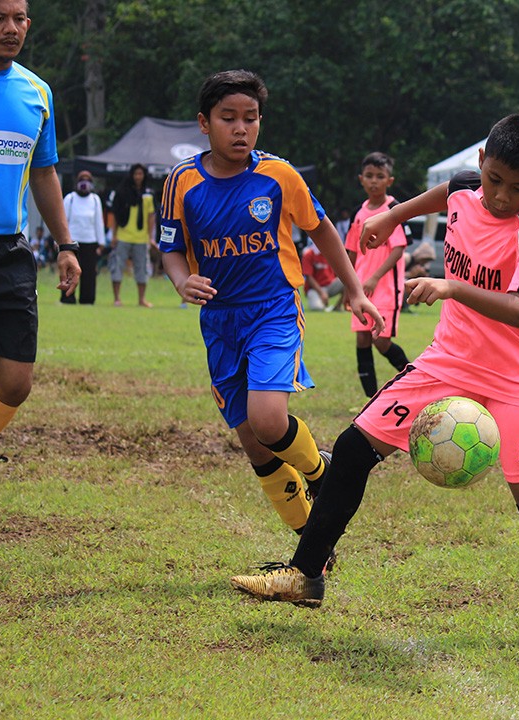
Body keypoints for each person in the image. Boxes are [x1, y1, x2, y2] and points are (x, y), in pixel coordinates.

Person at [229, 114, 519, 640]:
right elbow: (446, 193)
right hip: (447, 361)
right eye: (494, 180)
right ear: (482, 162)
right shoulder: (465, 186)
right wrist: (391, 216)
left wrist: (451, 287)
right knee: (352, 450)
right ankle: (306, 574)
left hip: (512, 376)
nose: (502, 196)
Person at [158, 70, 384, 544]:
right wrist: (181, 280)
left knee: (267, 420)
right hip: (220, 320)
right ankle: (313, 548)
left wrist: (355, 289)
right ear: (204, 123)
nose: (241, 129)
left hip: (273, 310)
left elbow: (321, 229)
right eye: (228, 118)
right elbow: (171, 247)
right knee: (255, 443)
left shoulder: (278, 175)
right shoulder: (181, 181)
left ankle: (321, 472)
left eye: (251, 118)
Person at [0, 0, 80, 446]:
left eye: (19, 18)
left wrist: (66, 244)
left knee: (15, 383)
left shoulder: (37, 92)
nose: (12, 28)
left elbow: (44, 173)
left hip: (9, 252)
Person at [344, 152, 412, 397]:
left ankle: (413, 379)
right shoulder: (358, 213)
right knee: (362, 340)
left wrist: (375, 277)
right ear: (361, 179)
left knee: (380, 341)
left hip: (385, 289)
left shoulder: (394, 210)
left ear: (389, 181)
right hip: (361, 289)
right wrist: (349, 287)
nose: (374, 181)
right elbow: (351, 252)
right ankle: (370, 399)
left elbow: (398, 249)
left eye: (380, 176)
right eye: (369, 176)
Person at [107, 163, 156, 307]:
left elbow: (151, 216)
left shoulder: (149, 194)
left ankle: (142, 299)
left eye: (140, 174)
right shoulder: (122, 192)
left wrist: (150, 237)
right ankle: (117, 298)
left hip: (141, 238)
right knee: (118, 266)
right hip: (123, 236)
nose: (138, 177)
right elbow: (116, 215)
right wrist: (114, 235)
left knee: (142, 268)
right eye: (136, 174)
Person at [60, 169, 106, 305]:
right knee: (70, 270)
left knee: (89, 272)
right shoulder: (70, 198)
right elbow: (63, 220)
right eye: (82, 180)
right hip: (72, 240)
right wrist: (60, 240)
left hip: (90, 241)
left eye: (87, 180)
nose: (84, 183)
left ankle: (87, 299)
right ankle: (67, 298)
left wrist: (101, 242)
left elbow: (99, 222)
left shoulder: (95, 200)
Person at [300, 242, 344, 312]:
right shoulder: (309, 254)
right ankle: (323, 304)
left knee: (348, 282)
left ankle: (337, 306)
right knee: (317, 308)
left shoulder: (330, 253)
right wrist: (321, 293)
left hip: (330, 285)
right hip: (314, 289)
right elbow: (308, 277)